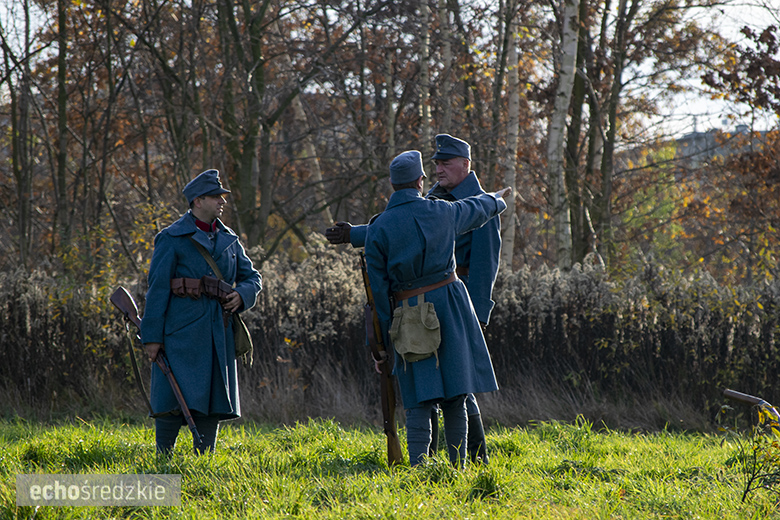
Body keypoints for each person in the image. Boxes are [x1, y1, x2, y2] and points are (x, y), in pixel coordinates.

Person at [326, 134, 500, 464]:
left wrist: (478, 314)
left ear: (466, 164)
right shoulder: (441, 203)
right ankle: (450, 463)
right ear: (420, 179)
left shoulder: (459, 202)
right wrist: (354, 234)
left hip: (455, 307)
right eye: (434, 165)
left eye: (445, 163)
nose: (438, 170)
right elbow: (407, 220)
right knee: (448, 390)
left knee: (449, 391)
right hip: (447, 303)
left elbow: (484, 265)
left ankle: (475, 459)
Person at [141, 169, 262, 454]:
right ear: (197, 201)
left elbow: (252, 277)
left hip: (217, 332)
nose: (223, 202)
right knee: (171, 398)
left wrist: (242, 296)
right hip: (179, 333)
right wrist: (152, 338)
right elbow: (157, 290)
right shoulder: (171, 238)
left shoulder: (229, 238)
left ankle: (205, 458)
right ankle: (163, 456)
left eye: (222, 197)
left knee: (213, 398)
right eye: (215, 197)